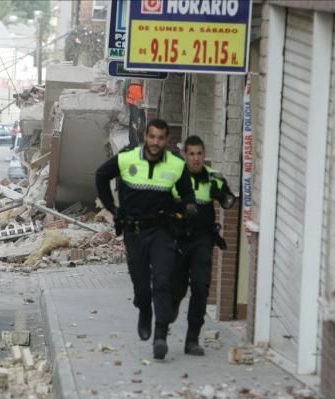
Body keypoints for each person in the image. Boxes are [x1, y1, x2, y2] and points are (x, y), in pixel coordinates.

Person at [95, 118, 196, 360]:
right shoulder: (128, 157)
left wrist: (189, 207)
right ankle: (144, 310)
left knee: (162, 280)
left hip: (163, 231)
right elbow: (101, 175)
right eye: (152, 137)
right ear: (145, 136)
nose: (156, 142)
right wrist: (112, 208)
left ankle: (160, 335)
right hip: (134, 231)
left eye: (161, 138)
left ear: (167, 140)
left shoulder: (177, 164)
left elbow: (187, 193)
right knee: (141, 285)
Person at [171, 135, 235, 356]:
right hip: (179, 240)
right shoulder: (176, 179)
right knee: (176, 289)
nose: (196, 159)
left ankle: (192, 339)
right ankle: (171, 310)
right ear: (184, 155)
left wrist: (224, 197)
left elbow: (229, 201)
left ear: (204, 155)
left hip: (202, 241)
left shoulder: (213, 178)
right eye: (191, 154)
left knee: (200, 287)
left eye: (199, 154)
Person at [125, 79, 145, 146]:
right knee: (134, 123)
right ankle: (134, 142)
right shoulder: (130, 79)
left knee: (138, 122)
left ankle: (136, 140)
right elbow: (125, 89)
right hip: (133, 103)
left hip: (139, 103)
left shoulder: (140, 78)